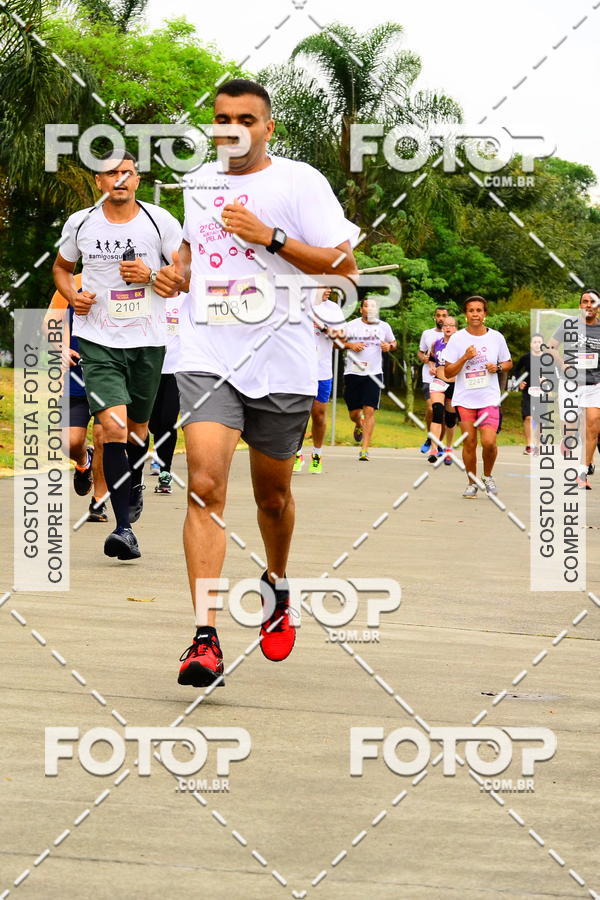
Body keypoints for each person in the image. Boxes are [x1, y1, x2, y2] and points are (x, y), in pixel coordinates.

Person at [153, 78, 359, 687]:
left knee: (272, 497)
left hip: (283, 357)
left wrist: (268, 235)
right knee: (205, 484)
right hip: (208, 349)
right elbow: (192, 253)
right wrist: (175, 276)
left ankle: (276, 581)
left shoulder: (300, 183)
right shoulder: (199, 184)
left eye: (247, 118)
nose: (233, 128)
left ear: (268, 127)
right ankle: (204, 639)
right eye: (222, 119)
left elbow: (342, 265)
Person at [52, 150, 182, 558]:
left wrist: (152, 275)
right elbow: (60, 268)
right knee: (111, 427)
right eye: (111, 174)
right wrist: (74, 296)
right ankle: (124, 529)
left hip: (147, 341)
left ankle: (136, 481)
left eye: (127, 173)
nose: (120, 180)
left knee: (136, 432)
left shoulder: (161, 222)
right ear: (99, 182)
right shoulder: (81, 222)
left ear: (138, 179)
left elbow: (182, 280)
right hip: (98, 340)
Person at [44, 274, 109, 521]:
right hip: (76, 375)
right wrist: (60, 347)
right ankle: (84, 460)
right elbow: (50, 322)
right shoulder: (72, 282)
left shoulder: (126, 282)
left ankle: (99, 501)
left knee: (104, 437)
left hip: (110, 374)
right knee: (69, 441)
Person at [440, 296, 512, 497]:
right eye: (471, 310)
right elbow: (448, 372)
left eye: (479, 310)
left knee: (489, 442)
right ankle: (472, 482)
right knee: (469, 442)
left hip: (488, 397)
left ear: (485, 314)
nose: (475, 314)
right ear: (466, 314)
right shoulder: (457, 338)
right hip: (465, 400)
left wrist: (496, 367)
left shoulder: (496, 337)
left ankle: (487, 476)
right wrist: (464, 357)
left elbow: (508, 363)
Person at [548, 290, 600, 489]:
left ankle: (582, 473)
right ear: (580, 305)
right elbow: (551, 347)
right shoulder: (568, 324)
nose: (588, 305)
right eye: (584, 302)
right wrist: (562, 365)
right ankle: (568, 437)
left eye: (592, 302)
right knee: (571, 427)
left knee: (593, 427)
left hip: (594, 385)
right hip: (570, 383)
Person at [293, 287, 346, 474]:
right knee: (299, 415)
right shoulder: (299, 303)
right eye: (325, 286)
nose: (329, 290)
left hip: (322, 371)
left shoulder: (332, 309)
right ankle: (296, 454)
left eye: (330, 286)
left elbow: (342, 337)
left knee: (319, 414)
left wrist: (325, 328)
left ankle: (317, 454)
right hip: (299, 369)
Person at [340, 296, 397, 461]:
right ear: (361, 310)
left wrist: (389, 346)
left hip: (373, 373)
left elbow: (394, 343)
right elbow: (339, 342)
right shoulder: (351, 325)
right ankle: (358, 424)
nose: (370, 309)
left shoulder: (384, 326)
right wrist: (351, 346)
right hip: (353, 372)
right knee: (354, 413)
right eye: (366, 306)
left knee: (369, 410)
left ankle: (364, 449)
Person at [148, 294, 187, 494]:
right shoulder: (151, 295)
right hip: (150, 368)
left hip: (176, 369)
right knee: (153, 423)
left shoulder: (188, 298)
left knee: (168, 420)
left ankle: (165, 472)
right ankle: (157, 450)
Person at [428, 315, 458, 466]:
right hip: (439, 382)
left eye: (451, 325)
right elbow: (432, 360)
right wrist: (432, 368)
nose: (448, 328)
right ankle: (434, 450)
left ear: (456, 328)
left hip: (455, 385)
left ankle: (448, 448)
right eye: (446, 325)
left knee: (451, 420)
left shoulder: (461, 345)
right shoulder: (436, 344)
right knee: (437, 412)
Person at [417, 307, 448, 454]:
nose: (441, 318)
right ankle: (430, 438)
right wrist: (423, 358)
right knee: (431, 409)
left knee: (442, 412)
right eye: (438, 315)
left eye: (444, 316)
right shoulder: (427, 334)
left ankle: (438, 443)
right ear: (434, 317)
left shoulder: (453, 335)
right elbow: (421, 351)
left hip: (447, 378)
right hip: (429, 377)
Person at [514, 333, 544, 455]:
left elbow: (555, 374)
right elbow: (516, 370)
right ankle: (529, 445)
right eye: (534, 342)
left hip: (542, 392)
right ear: (531, 344)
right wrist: (519, 382)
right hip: (528, 391)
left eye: (539, 342)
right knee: (528, 417)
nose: (537, 344)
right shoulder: (525, 358)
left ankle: (539, 445)